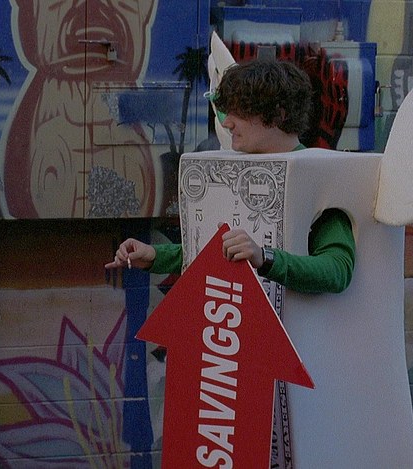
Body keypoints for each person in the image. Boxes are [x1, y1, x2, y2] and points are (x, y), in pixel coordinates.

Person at [105, 59, 355, 293]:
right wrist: (155, 256)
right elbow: (219, 247)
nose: (227, 123)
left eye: (241, 111)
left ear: (279, 115)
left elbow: (338, 270)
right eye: (227, 111)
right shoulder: (241, 168)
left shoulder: (316, 174)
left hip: (291, 324)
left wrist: (264, 257)